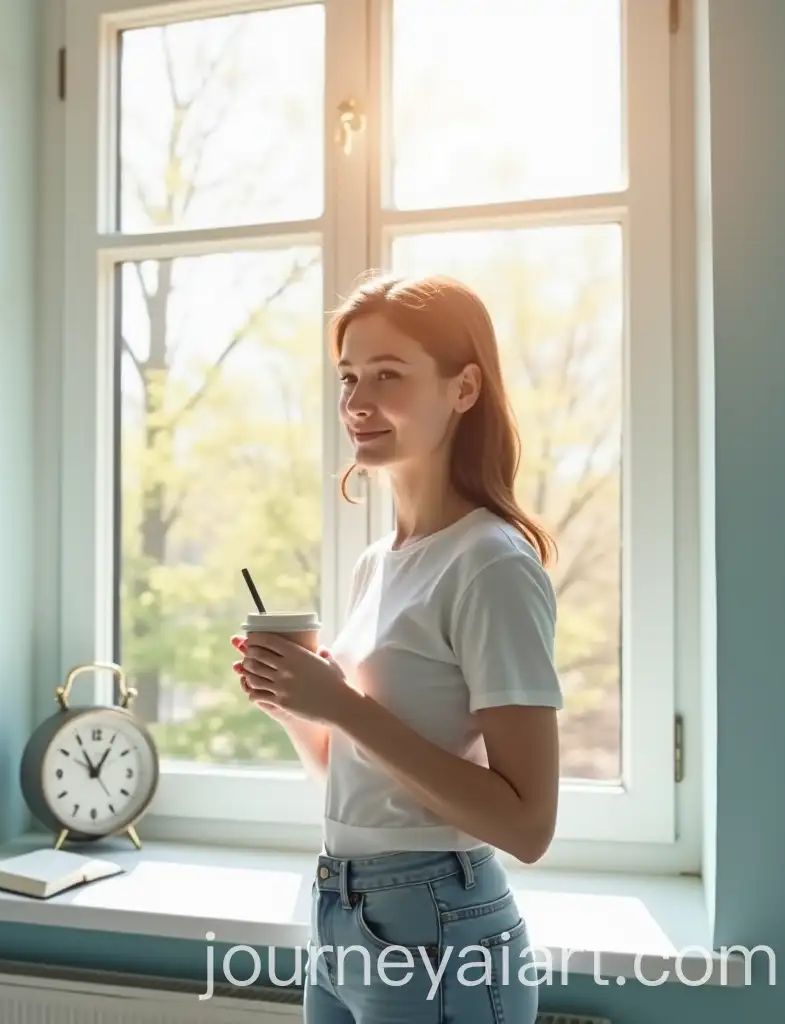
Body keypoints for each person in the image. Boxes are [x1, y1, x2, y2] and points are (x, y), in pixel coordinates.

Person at [232, 271, 563, 1023]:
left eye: (388, 375)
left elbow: (527, 824)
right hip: (345, 913)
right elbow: (372, 786)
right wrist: (297, 710)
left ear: (464, 389)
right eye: (349, 376)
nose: (356, 401)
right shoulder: (378, 562)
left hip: (439, 926)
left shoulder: (492, 563)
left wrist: (341, 706)